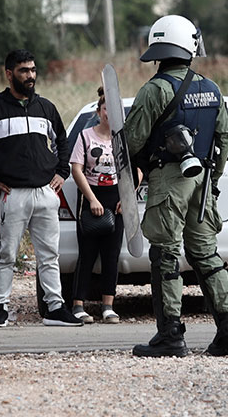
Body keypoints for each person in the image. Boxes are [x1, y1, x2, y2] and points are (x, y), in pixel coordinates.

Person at [125, 14, 228, 357]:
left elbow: (132, 141)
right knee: (206, 253)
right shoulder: (211, 88)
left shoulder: (154, 89)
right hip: (204, 181)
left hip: (168, 179)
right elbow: (225, 137)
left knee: (165, 255)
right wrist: (214, 178)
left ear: (159, 48)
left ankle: (171, 336)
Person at [0, 49, 79, 327]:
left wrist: (62, 172)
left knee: (50, 254)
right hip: (11, 194)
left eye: (33, 70)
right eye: (24, 70)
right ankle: (0, 308)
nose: (30, 76)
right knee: (6, 254)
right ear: (9, 73)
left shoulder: (46, 108)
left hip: (45, 193)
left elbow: (63, 141)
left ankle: (54, 308)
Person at [70, 87, 135, 325]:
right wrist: (92, 200)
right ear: (99, 111)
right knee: (86, 254)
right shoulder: (86, 136)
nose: (109, 113)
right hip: (91, 197)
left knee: (111, 254)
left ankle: (108, 305)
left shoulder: (123, 139)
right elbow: (76, 168)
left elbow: (135, 170)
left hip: (116, 200)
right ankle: (78, 305)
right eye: (106, 108)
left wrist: (127, 198)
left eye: (114, 110)